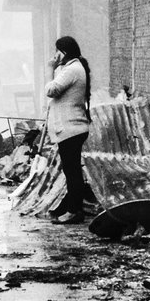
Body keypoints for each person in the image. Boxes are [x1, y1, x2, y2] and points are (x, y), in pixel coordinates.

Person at [43, 35, 94, 223]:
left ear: (64, 52)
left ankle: (74, 211)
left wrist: (50, 69)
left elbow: (51, 90)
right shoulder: (72, 68)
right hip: (72, 127)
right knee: (71, 171)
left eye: (57, 51)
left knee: (72, 173)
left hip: (71, 128)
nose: (55, 55)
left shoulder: (72, 69)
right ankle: (70, 207)